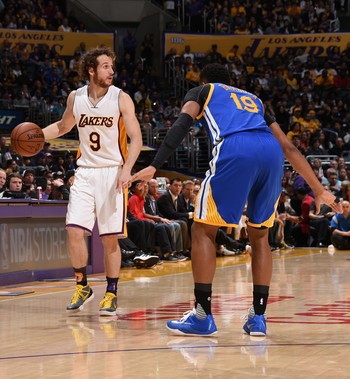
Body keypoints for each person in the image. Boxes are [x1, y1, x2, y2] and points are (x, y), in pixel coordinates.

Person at [130, 63, 341, 337]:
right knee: (260, 234)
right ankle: (259, 317)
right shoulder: (255, 101)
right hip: (271, 153)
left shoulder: (203, 91)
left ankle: (202, 315)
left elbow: (182, 124)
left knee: (203, 229)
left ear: (207, 81)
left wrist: (155, 165)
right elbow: (288, 146)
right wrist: (318, 189)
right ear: (232, 82)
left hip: (235, 147)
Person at [42, 46, 142, 316]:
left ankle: (111, 292)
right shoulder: (76, 97)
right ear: (91, 70)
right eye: (106, 66)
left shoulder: (121, 98)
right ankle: (82, 285)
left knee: (109, 239)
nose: (112, 71)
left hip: (113, 172)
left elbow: (136, 138)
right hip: (85, 172)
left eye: (112, 66)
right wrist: (39, 135)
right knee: (74, 231)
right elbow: (63, 127)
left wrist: (127, 170)